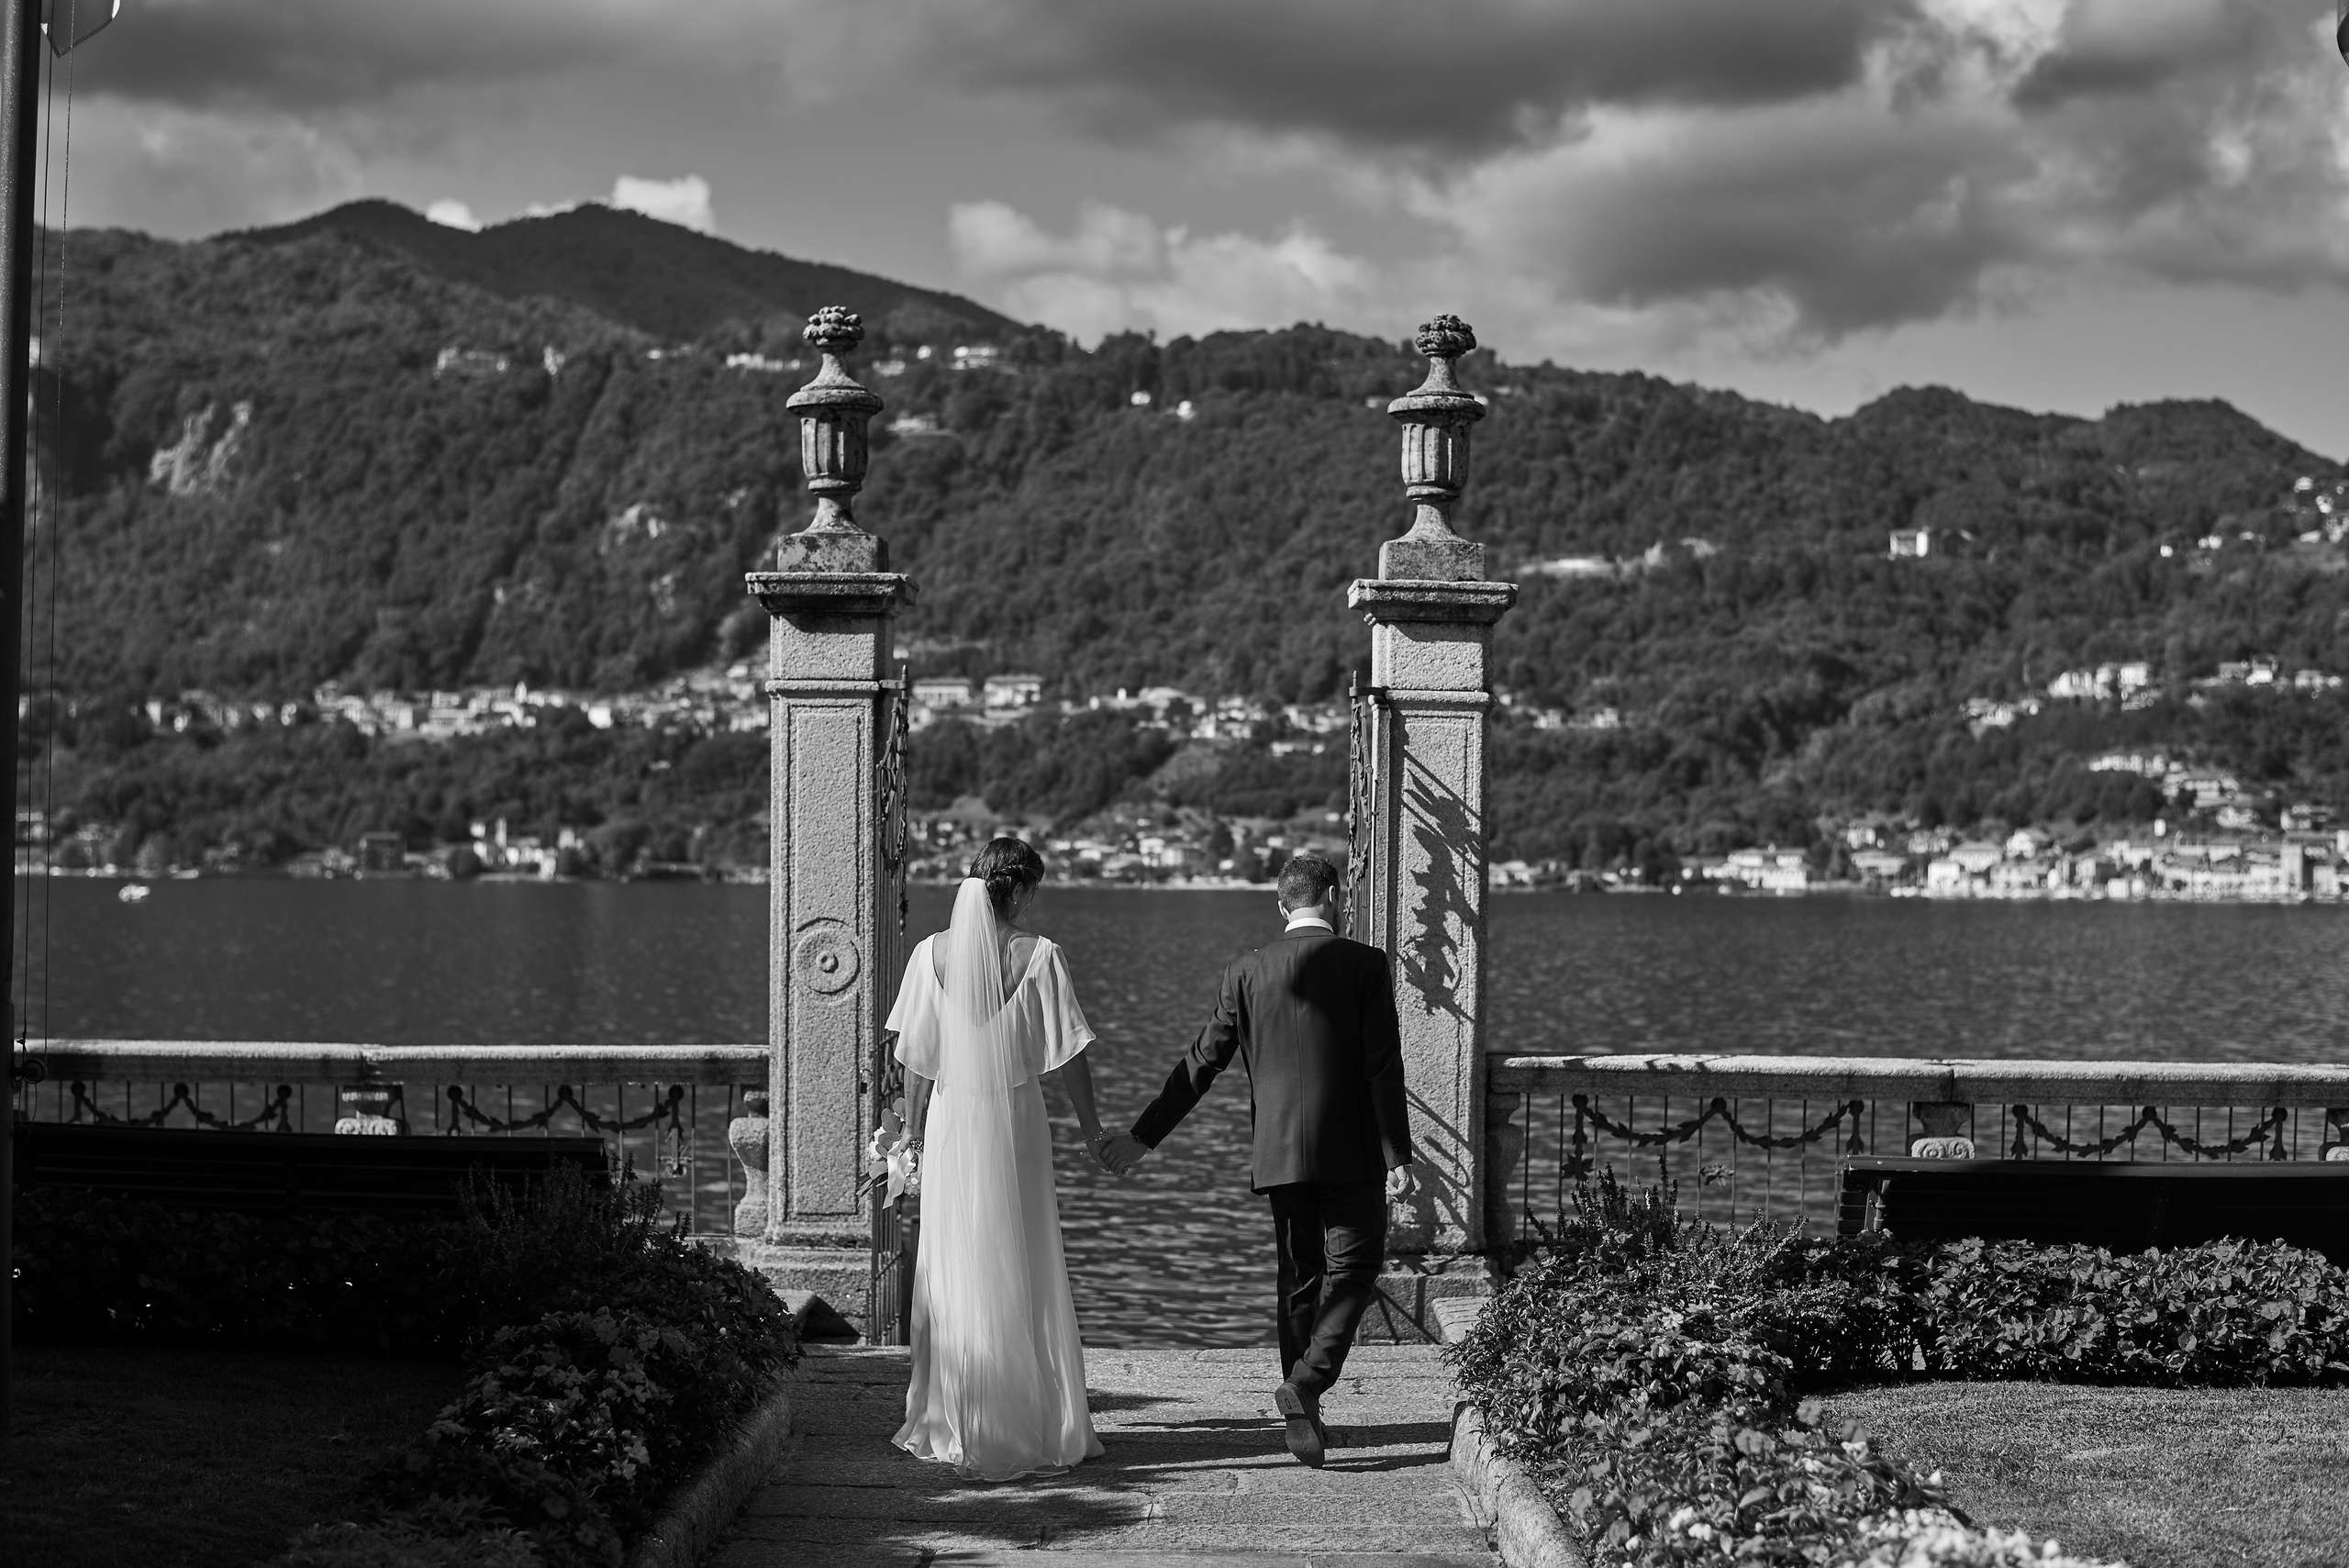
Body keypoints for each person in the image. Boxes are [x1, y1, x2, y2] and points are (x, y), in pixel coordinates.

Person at [1098, 853, 1415, 1468]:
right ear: (1334, 896)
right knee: (1354, 1268)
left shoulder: (1244, 971)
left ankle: (1304, 1405)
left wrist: (1144, 1136)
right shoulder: (1366, 964)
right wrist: (1395, 1152)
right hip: (1351, 1151)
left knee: (1298, 1277)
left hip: (1277, 1153)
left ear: (1281, 905)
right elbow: (1382, 1065)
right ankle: (1307, 1383)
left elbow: (1201, 1063)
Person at [885, 836, 1118, 1482]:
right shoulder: (1041, 955)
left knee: (955, 1256)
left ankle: (952, 1416)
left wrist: (911, 1136)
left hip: (951, 1118)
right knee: (1025, 1255)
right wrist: (1093, 1130)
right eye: (1033, 890)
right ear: (1017, 889)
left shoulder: (929, 953)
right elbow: (1069, 1056)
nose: (1032, 902)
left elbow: (915, 1058)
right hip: (1015, 1119)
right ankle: (1034, 1418)